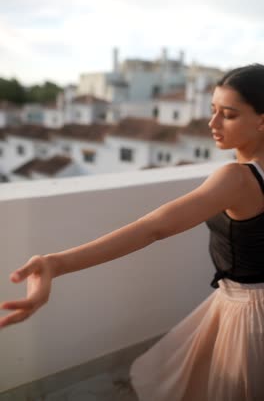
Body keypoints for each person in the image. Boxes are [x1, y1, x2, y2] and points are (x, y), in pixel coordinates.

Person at [1, 63, 264, 401]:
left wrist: (57, 263)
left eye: (228, 114)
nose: (212, 123)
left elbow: (153, 228)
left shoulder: (236, 178)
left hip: (249, 314)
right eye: (212, 110)